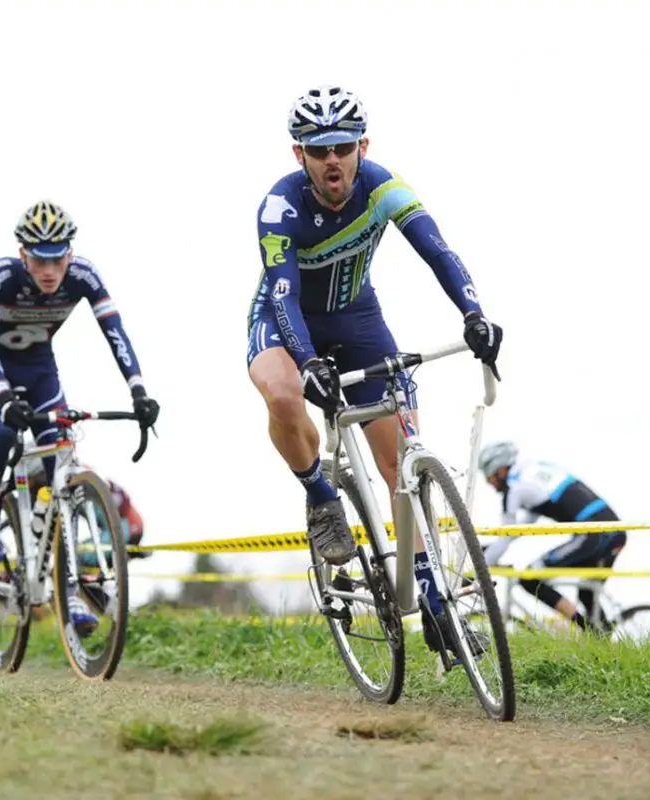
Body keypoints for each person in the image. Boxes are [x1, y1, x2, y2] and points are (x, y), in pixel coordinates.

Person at [246, 85, 503, 657]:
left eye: (341, 146)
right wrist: (308, 360)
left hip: (358, 319)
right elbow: (284, 294)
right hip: (285, 320)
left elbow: (438, 251)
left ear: (362, 146)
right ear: (299, 156)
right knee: (285, 395)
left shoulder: (385, 188)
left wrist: (475, 315)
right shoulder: (279, 208)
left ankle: (433, 596)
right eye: (318, 150)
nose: (331, 159)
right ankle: (320, 496)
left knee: (401, 463)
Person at [0, 201, 159, 636]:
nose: (49, 270)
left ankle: (65, 586)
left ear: (70, 254)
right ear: (22, 255)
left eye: (58, 258)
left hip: (39, 371)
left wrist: (139, 390)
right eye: (38, 259)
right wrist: (1, 395)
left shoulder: (83, 276)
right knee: (4, 430)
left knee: (60, 469)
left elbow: (115, 332)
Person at [479, 441, 628, 631]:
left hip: (595, 535)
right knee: (586, 593)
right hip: (614, 533)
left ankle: (587, 629)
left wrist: (482, 564)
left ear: (499, 469)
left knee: (530, 579)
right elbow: (524, 526)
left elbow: (506, 533)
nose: (488, 482)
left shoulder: (514, 489)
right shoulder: (532, 472)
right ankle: (603, 637)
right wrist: (494, 548)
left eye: (488, 475)